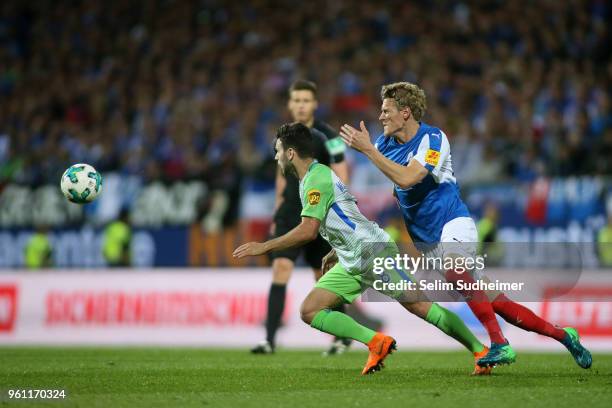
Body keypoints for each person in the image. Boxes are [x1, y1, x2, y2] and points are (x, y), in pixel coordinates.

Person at [339, 81, 592, 369]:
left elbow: (409, 178)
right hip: (428, 243)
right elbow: (394, 184)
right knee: (498, 303)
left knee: (456, 268)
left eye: (386, 110)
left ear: (406, 112)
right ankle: (564, 336)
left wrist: (369, 152)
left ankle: (499, 344)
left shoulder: (433, 139)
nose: (380, 116)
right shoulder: (383, 144)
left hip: (454, 222)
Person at [235, 123, 495, 375]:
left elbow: (308, 230)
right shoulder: (310, 178)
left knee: (418, 304)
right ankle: (375, 342)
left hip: (373, 252)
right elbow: (346, 216)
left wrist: (265, 246)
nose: (276, 156)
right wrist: (336, 248)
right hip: (352, 257)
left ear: (290, 153)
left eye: (278, 150)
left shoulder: (317, 178)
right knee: (310, 310)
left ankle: (479, 350)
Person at [252, 80, 380, 355]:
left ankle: (340, 339)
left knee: (322, 276)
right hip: (289, 212)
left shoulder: (330, 137)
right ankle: (269, 340)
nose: (300, 105)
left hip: (320, 214)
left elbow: (341, 172)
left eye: (305, 100)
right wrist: (277, 211)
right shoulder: (285, 135)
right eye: (296, 100)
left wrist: (338, 211)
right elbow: (280, 175)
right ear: (290, 104)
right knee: (280, 270)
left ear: (314, 104)